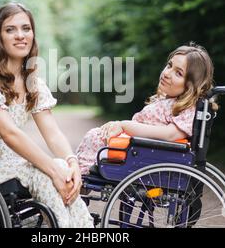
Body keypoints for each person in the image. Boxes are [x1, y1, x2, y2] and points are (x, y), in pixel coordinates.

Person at [0, 2, 93, 228]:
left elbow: (53, 133)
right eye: (10, 29)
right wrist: (53, 168)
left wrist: (71, 161)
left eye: (26, 28)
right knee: (49, 174)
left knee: (62, 173)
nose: (20, 36)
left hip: (9, 161)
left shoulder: (32, 81)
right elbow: (10, 134)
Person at [76, 43, 215, 175]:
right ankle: (77, 174)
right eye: (169, 65)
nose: (167, 73)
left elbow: (170, 135)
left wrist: (124, 125)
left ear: (191, 85)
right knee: (94, 136)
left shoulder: (189, 108)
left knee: (94, 137)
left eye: (178, 73)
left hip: (143, 154)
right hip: (138, 149)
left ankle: (79, 177)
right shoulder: (169, 101)